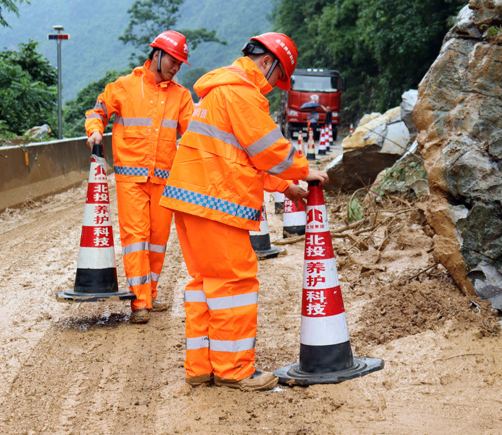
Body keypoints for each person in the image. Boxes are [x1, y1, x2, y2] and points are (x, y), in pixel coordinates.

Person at [160, 32, 328, 391]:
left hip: (190, 200)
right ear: (267, 62)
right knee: (235, 282)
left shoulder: (220, 90)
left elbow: (240, 157)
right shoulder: (241, 92)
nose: (272, 88)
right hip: (215, 203)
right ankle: (234, 369)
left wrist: (286, 186)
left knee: (204, 284)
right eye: (276, 78)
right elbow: (268, 148)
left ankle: (201, 367)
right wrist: (303, 170)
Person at [85, 30, 194, 324]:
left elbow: (194, 135)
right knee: (136, 238)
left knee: (158, 240)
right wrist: (95, 129)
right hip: (130, 178)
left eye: (180, 63)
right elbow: (98, 110)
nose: (176, 67)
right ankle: (139, 301)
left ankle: (151, 292)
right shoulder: (124, 86)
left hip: (163, 180)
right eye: (173, 60)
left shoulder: (181, 97)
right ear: (156, 55)